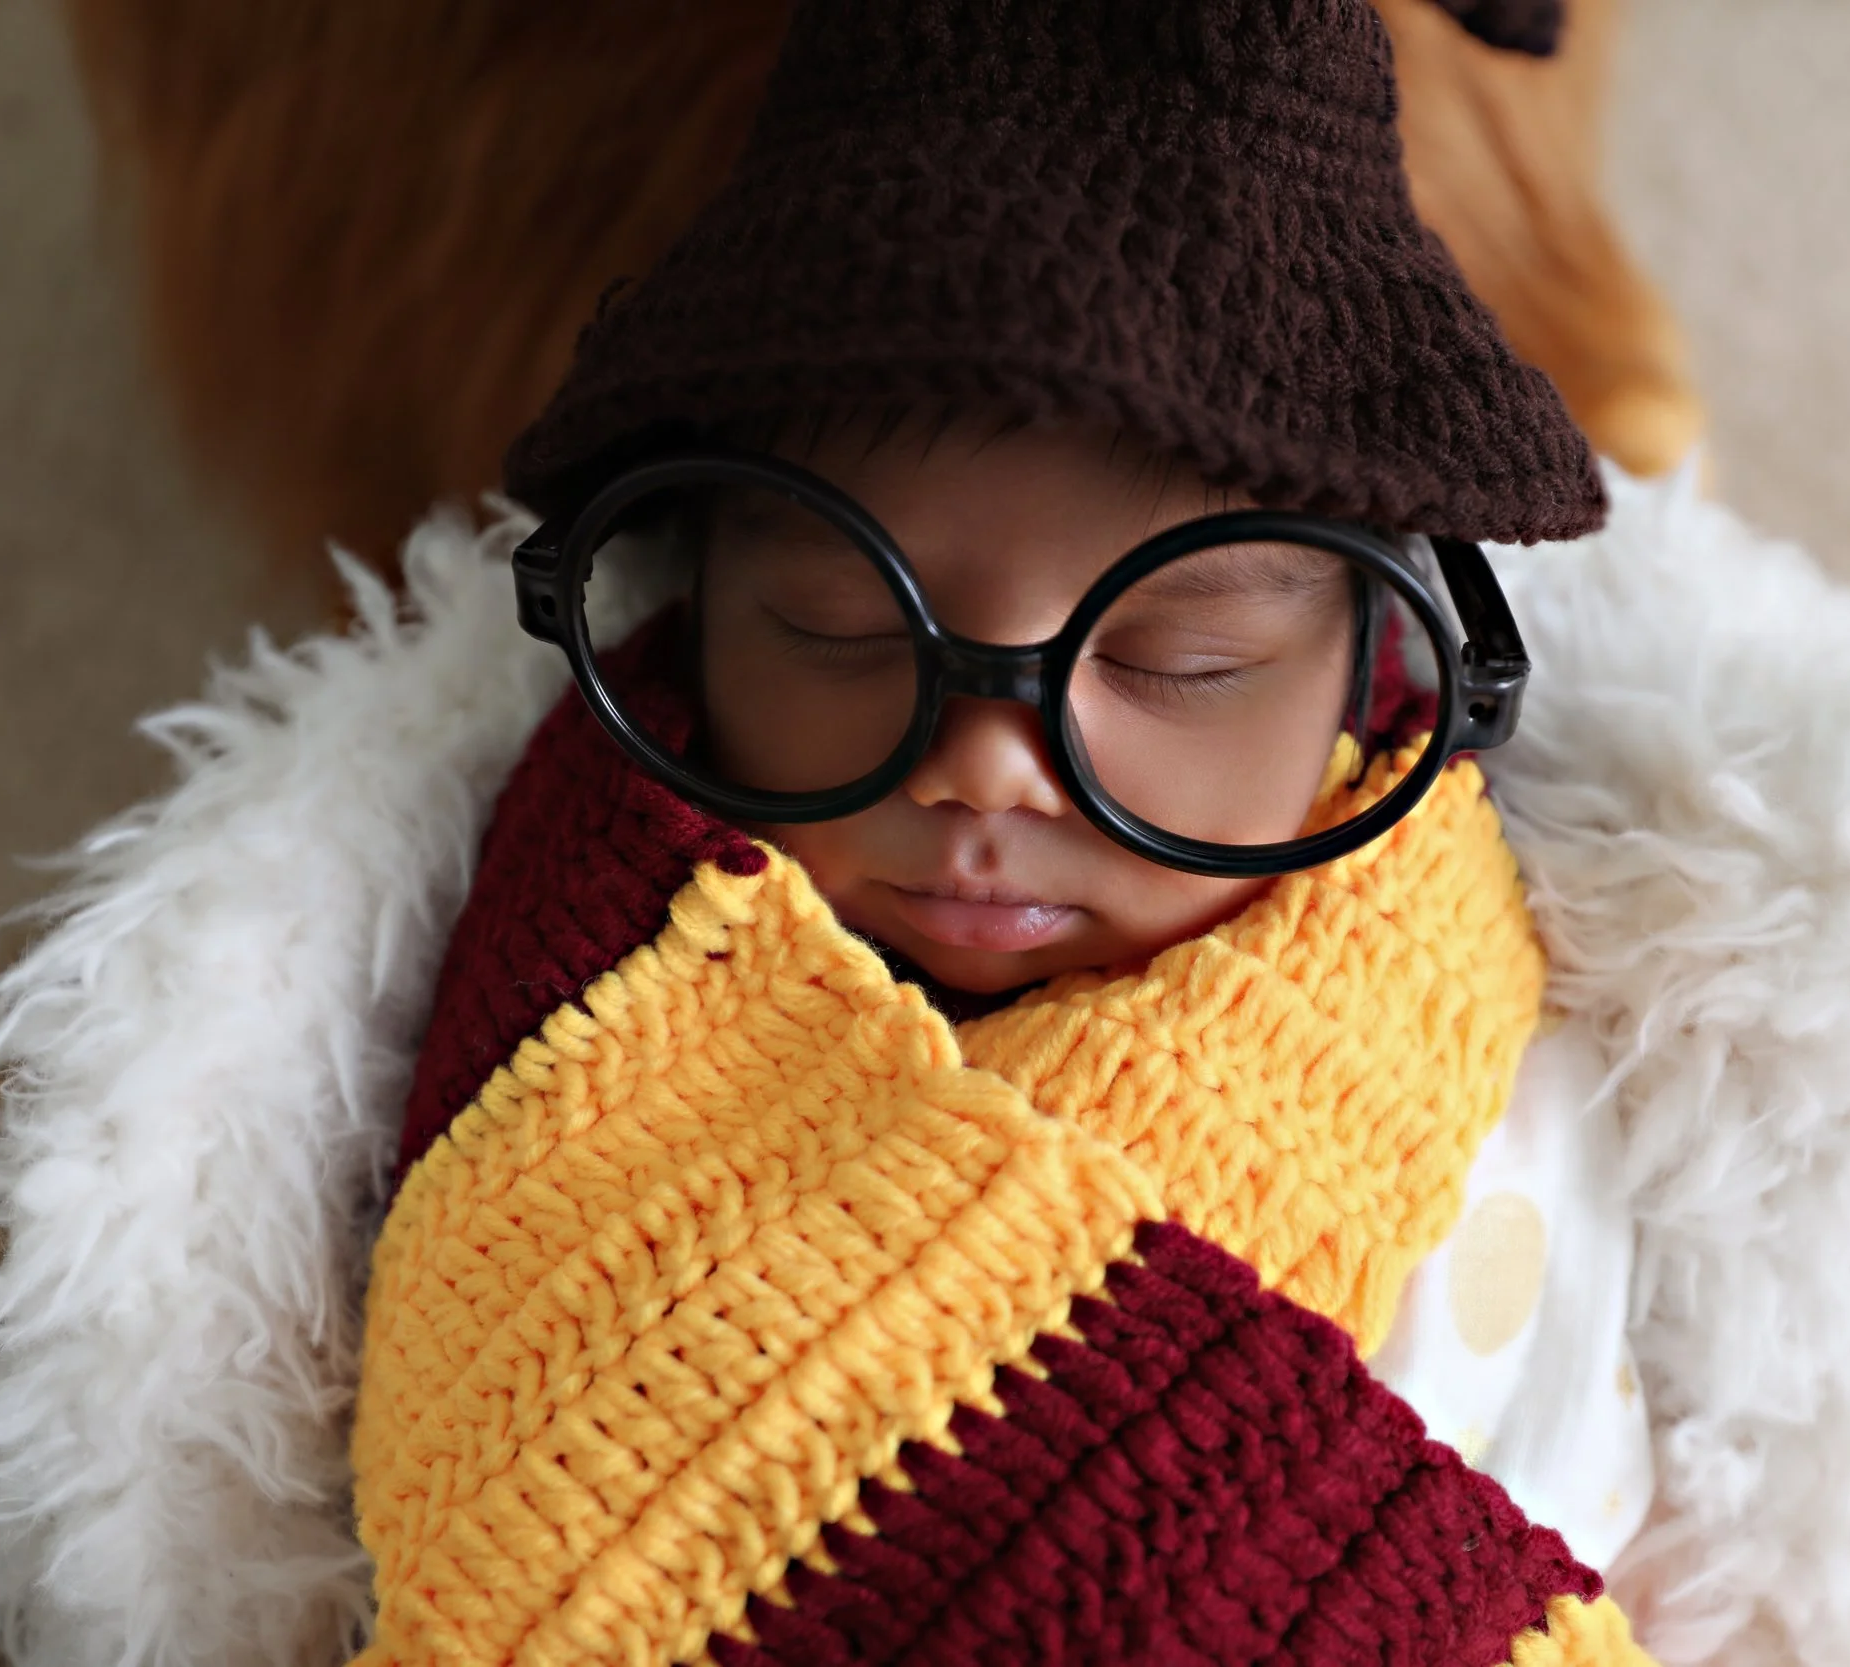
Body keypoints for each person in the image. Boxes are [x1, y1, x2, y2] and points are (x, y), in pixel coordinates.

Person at [351, 1, 1660, 1661]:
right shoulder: (563, 1010)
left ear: (1369, 673)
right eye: (843, 627)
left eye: (1181, 664)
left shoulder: (1482, 1048)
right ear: (693, 604)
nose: (990, 767)